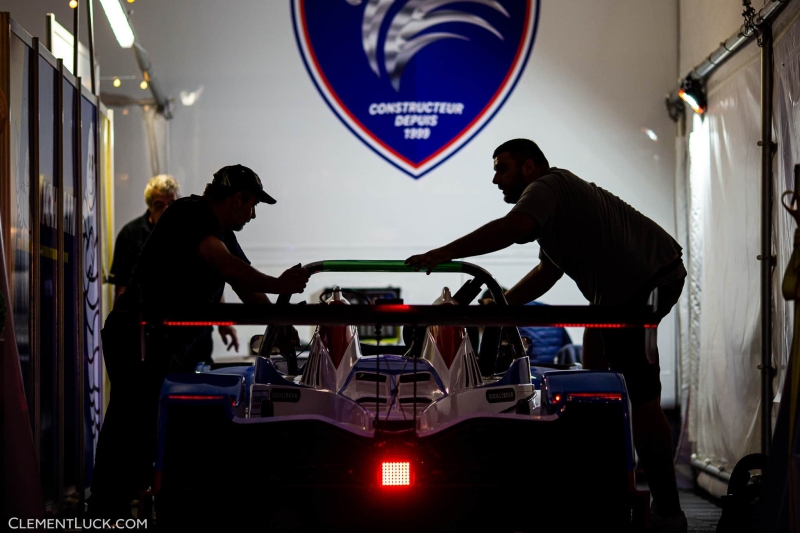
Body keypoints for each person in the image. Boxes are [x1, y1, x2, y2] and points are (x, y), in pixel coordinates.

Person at [405, 138, 688, 532]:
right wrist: (498, 306)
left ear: (528, 167)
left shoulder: (546, 187)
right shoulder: (557, 208)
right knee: (596, 364)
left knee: (641, 398)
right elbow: (546, 273)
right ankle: (601, 465)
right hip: (626, 291)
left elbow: (513, 229)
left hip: (647, 282)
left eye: (502, 168)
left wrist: (442, 254)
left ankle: (668, 512)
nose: (494, 179)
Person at [88, 164, 311, 518]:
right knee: (130, 426)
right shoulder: (190, 212)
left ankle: (129, 505)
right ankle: (103, 513)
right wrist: (280, 285)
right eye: (252, 205)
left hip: (162, 341)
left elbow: (245, 284)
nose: (253, 215)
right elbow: (219, 261)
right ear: (237, 199)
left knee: (147, 426)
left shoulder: (222, 230)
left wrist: (278, 323)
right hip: (138, 336)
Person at [107, 174, 239, 366]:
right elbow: (122, 290)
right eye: (160, 205)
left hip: (196, 333)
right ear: (150, 207)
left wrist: (223, 322)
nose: (168, 210)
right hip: (153, 335)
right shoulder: (131, 235)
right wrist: (122, 333)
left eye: (172, 204)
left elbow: (211, 278)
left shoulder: (197, 229)